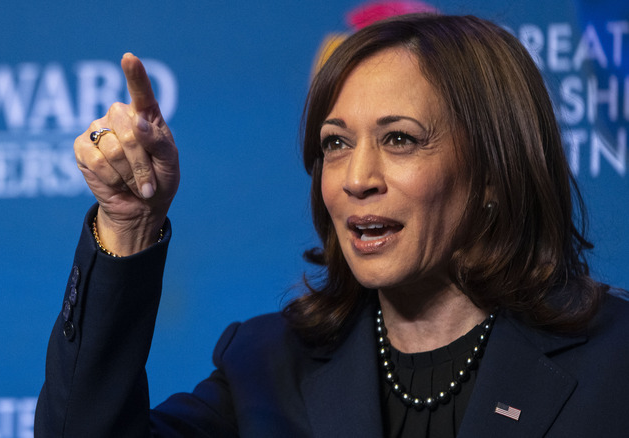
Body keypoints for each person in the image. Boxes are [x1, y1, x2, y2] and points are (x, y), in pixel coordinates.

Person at [34, 14, 629, 437]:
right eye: (336, 144)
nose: (357, 177)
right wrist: (129, 223)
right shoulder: (267, 367)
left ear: (495, 172)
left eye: (400, 140)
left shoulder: (614, 362)